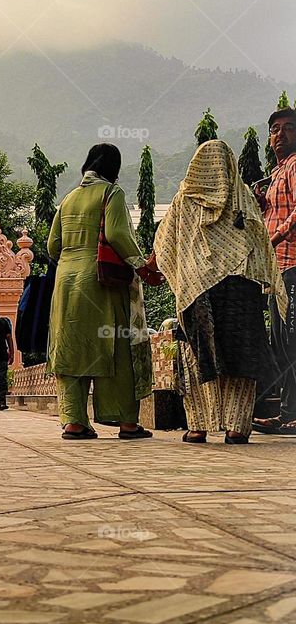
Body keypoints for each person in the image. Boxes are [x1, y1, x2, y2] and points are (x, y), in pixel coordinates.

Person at [153, 139, 287, 444]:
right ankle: (236, 427)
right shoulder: (243, 198)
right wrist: (266, 281)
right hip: (241, 290)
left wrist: (177, 270)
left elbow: (165, 245)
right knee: (243, 355)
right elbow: (259, 245)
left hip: (196, 291)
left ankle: (199, 426)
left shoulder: (182, 201)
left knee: (198, 354)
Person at [47, 142, 156, 440]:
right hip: (102, 281)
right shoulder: (111, 192)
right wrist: (142, 266)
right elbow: (117, 233)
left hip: (66, 283)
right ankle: (126, 423)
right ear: (114, 169)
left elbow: (52, 246)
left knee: (71, 348)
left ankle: (74, 422)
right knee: (114, 348)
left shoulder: (68, 199)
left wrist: (74, 257)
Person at [253, 107, 296, 435]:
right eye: (274, 129)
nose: (279, 135)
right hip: (277, 268)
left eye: (287, 128)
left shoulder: (295, 166)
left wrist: (277, 234)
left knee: (291, 340)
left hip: (293, 264)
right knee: (282, 342)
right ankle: (287, 413)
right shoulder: (278, 170)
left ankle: (291, 414)